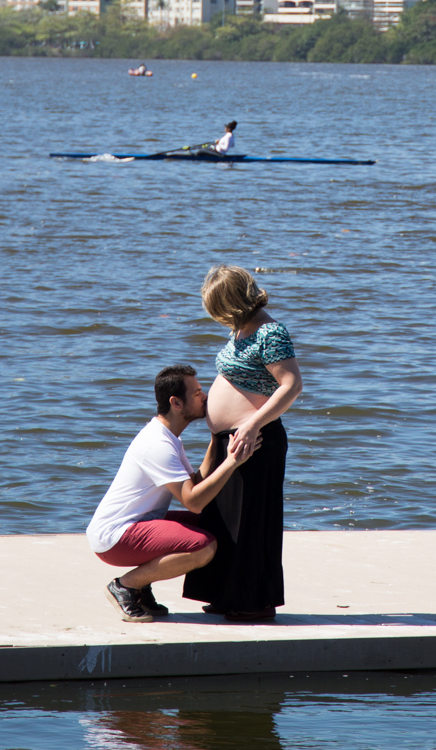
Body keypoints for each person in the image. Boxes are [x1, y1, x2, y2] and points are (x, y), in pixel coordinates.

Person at [87, 363, 253, 622]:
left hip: (139, 523)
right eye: (197, 392)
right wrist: (232, 462)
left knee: (214, 523)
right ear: (176, 402)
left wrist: (215, 438)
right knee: (203, 547)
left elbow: (195, 482)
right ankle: (126, 586)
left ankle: (143, 588)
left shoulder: (169, 437)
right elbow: (193, 501)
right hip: (115, 536)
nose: (205, 396)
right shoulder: (158, 445)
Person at [184, 265, 302, 623]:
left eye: (218, 307)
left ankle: (254, 603)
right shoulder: (240, 328)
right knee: (224, 521)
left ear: (232, 301)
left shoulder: (271, 333)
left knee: (252, 522)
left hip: (256, 440)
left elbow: (292, 385)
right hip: (230, 440)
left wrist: (252, 424)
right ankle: (225, 595)